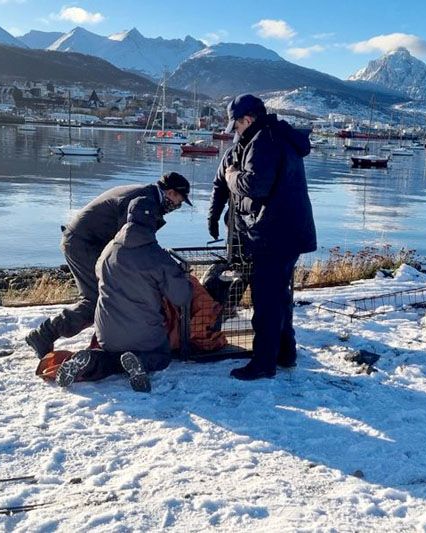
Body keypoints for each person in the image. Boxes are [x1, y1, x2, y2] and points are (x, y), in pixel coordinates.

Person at [207, 94, 317, 381]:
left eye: (237, 124)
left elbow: (255, 186)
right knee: (280, 296)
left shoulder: (263, 140)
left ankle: (263, 363)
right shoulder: (277, 136)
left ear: (248, 119)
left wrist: (232, 176)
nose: (235, 131)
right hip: (289, 230)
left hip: (272, 232)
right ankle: (285, 352)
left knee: (266, 299)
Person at [25, 172, 192, 358]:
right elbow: (128, 244)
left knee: (108, 293)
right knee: (97, 298)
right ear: (170, 193)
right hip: (83, 243)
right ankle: (45, 334)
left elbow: (128, 245)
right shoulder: (144, 200)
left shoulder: (146, 195)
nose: (179, 205)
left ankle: (105, 333)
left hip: (84, 239)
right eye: (180, 199)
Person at [55, 196, 192, 392]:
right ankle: (140, 361)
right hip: (144, 335)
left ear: (128, 217)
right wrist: (181, 276)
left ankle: (91, 359)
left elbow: (97, 272)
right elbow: (181, 297)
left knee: (111, 358)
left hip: (106, 334)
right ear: (154, 221)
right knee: (162, 355)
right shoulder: (157, 256)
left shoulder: (110, 249)